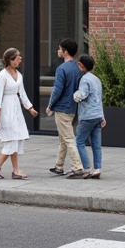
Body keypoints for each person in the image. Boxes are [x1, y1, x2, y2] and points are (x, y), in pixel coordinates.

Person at [0, 46, 38, 179]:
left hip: (16, 108)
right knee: (11, 139)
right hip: (6, 109)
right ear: (10, 60)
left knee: (16, 138)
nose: (20, 59)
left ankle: (15, 170)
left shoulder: (19, 75)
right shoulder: (2, 75)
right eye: (17, 57)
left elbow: (22, 94)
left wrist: (30, 108)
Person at [44, 38, 84, 177]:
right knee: (64, 138)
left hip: (62, 108)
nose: (58, 51)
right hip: (73, 107)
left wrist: (50, 106)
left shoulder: (62, 69)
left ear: (65, 52)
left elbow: (57, 90)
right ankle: (59, 166)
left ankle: (78, 168)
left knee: (68, 139)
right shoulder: (77, 68)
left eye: (60, 49)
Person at [73, 53, 106, 179]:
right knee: (96, 144)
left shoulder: (85, 79)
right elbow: (99, 98)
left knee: (79, 142)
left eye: (79, 64)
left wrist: (75, 95)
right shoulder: (96, 79)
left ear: (82, 66)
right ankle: (97, 168)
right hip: (98, 115)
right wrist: (102, 116)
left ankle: (87, 168)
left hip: (87, 116)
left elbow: (82, 94)